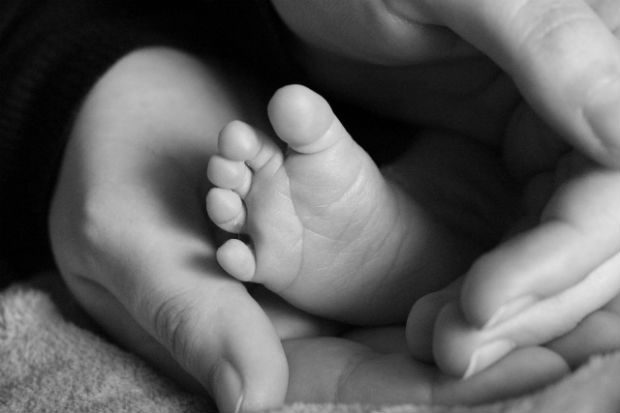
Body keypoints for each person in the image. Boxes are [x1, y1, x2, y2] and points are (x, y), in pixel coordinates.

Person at [2, 1, 620, 412]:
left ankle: (406, 240)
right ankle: (403, 237)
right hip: (386, 72)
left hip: (436, 88)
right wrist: (76, 84)